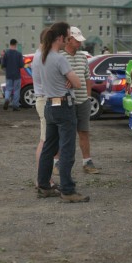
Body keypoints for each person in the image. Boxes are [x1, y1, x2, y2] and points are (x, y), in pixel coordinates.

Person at [37, 22, 90, 202]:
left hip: (50, 106)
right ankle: (68, 191)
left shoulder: (42, 57)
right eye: (67, 37)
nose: (68, 40)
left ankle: (44, 185)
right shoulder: (59, 58)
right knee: (67, 150)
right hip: (64, 106)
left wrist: (65, 78)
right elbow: (77, 83)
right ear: (60, 38)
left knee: (48, 148)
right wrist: (69, 78)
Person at [53, 26, 99, 175]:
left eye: (80, 41)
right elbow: (53, 78)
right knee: (62, 132)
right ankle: (57, 162)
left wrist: (87, 96)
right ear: (68, 39)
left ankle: (87, 161)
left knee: (84, 131)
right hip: (64, 101)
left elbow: (87, 78)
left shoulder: (82, 57)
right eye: (76, 40)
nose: (79, 43)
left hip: (82, 101)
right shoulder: (59, 55)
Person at [32, 28, 57, 188]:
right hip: (45, 100)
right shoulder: (42, 57)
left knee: (46, 140)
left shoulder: (38, 55)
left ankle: (44, 178)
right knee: (45, 140)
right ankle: (43, 179)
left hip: (43, 99)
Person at [1, 38, 24, 111]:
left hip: (8, 75)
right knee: (17, 90)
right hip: (17, 75)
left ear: (10, 44)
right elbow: (21, 65)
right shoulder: (19, 54)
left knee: (8, 89)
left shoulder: (6, 54)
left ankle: (7, 99)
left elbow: (3, 65)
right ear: (15, 44)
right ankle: (15, 106)